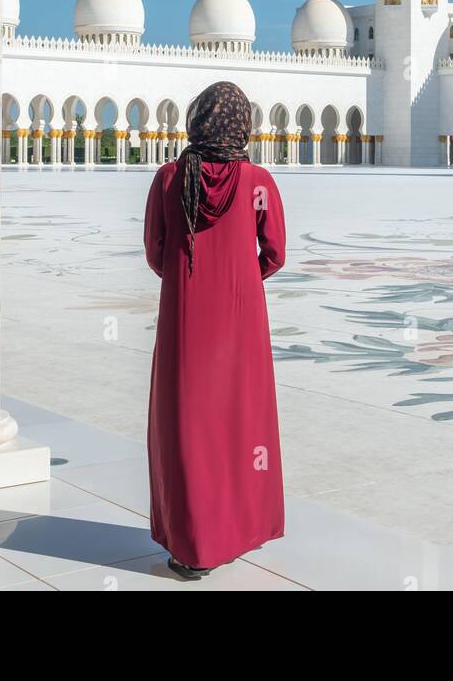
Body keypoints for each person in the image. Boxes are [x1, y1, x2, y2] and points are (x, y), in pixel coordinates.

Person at [144, 80, 286, 579]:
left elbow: (155, 252)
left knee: (188, 427)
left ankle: (191, 547)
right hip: (242, 322)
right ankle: (235, 533)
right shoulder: (259, 182)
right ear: (242, 124)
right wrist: (241, 279)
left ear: (197, 119)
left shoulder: (168, 178)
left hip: (185, 320)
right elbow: (275, 253)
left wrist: (191, 282)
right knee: (239, 425)